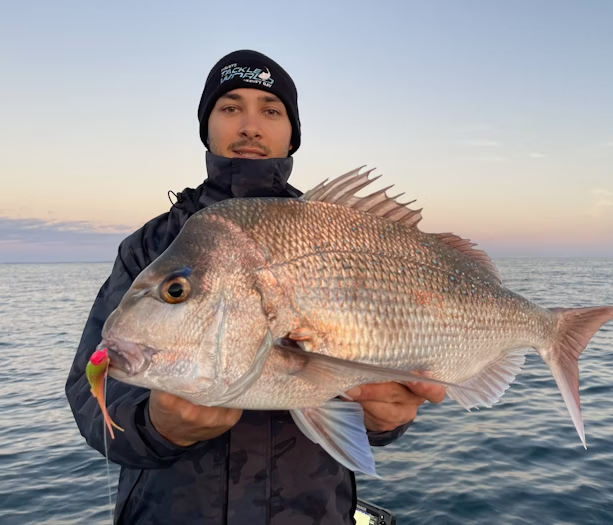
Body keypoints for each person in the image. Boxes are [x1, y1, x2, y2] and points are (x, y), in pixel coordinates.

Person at [65, 49, 445, 525]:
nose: (250, 125)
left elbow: (378, 380)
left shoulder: (343, 231)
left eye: (270, 109)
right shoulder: (151, 246)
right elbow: (90, 390)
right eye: (230, 107)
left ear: (292, 134)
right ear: (206, 126)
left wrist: (385, 419)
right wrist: (156, 427)